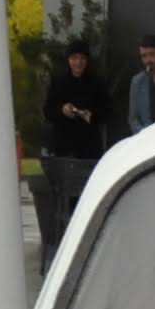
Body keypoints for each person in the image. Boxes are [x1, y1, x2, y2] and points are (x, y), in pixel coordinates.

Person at [37, 43, 107, 262]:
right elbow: (48, 110)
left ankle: (84, 239)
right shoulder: (59, 81)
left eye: (82, 59)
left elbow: (109, 111)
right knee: (64, 195)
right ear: (68, 60)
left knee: (85, 193)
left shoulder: (96, 83)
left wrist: (91, 115)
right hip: (64, 147)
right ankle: (63, 242)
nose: (78, 63)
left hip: (88, 147)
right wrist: (62, 110)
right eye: (74, 58)